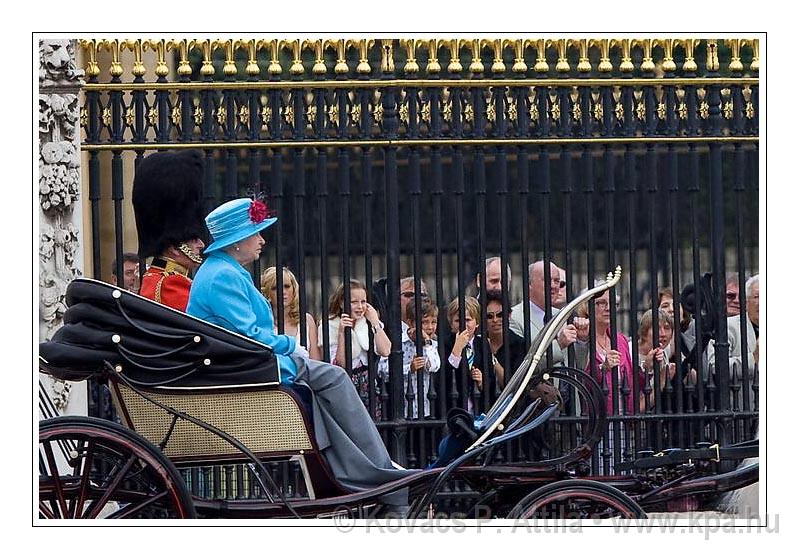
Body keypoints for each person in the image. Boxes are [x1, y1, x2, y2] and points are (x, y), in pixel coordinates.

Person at [186, 197, 411, 506]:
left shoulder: (222, 270)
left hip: (244, 363)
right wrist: (293, 346)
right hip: (248, 365)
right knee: (334, 378)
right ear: (237, 241)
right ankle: (382, 470)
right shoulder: (222, 275)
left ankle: (357, 472)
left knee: (322, 393)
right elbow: (251, 336)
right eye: (257, 233)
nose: (262, 240)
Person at [133, 150, 207, 311]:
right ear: (173, 247)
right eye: (193, 239)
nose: (201, 244)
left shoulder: (155, 276)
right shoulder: (170, 284)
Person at [320, 279, 391, 414]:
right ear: (341, 303)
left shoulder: (368, 323)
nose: (360, 307)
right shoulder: (330, 325)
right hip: (343, 384)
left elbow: (385, 350)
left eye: (363, 302)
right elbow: (341, 364)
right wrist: (342, 333)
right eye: (354, 302)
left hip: (368, 385)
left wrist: (375, 322)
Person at [509, 261, 586, 362]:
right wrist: (559, 345)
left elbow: (577, 366)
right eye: (547, 280)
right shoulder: (514, 318)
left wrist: (581, 341)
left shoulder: (563, 315)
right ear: (529, 284)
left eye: (557, 281)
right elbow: (521, 366)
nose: (553, 286)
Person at [443, 296, 502, 414]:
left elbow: (491, 377)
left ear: (477, 323)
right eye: (458, 321)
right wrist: (457, 349)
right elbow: (444, 377)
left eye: (468, 320)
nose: (463, 325)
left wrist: (481, 382)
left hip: (479, 409)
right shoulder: (446, 343)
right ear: (451, 324)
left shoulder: (482, 344)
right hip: (454, 408)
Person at [261, 266, 322, 361]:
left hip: (304, 374)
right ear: (267, 292)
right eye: (275, 288)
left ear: (294, 289)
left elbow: (315, 361)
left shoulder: (306, 320)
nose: (283, 292)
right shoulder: (261, 322)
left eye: (287, 286)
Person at [401, 298, 441, 418]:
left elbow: (434, 366)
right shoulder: (399, 342)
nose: (430, 327)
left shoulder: (432, 343)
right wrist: (410, 368)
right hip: (403, 407)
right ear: (410, 322)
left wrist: (427, 343)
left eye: (433, 322)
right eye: (424, 322)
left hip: (426, 408)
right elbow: (383, 370)